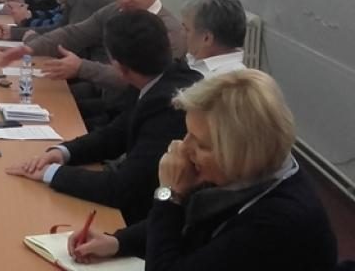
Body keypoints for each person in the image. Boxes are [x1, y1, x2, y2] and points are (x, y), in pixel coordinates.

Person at [67, 70, 337, 270]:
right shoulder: (245, 174)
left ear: (241, 152)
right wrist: (117, 242)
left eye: (201, 144)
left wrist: (168, 195)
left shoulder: (278, 222)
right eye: (188, 134)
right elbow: (190, 221)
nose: (183, 147)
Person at [8, 11, 201, 224]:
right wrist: (62, 152)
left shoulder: (170, 105)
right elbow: (116, 133)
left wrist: (53, 173)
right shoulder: (159, 79)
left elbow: (124, 189)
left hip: (159, 220)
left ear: (119, 66)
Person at [0, 0, 186, 127]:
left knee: (58, 120)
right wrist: (30, 48)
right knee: (39, 103)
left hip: (133, 115)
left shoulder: (168, 30)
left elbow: (133, 79)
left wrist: (81, 67)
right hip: (107, 98)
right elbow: (74, 33)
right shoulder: (116, 11)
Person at [181, 0, 248, 77]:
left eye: (187, 29)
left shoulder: (232, 80)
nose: (182, 33)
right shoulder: (188, 59)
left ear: (207, 38)